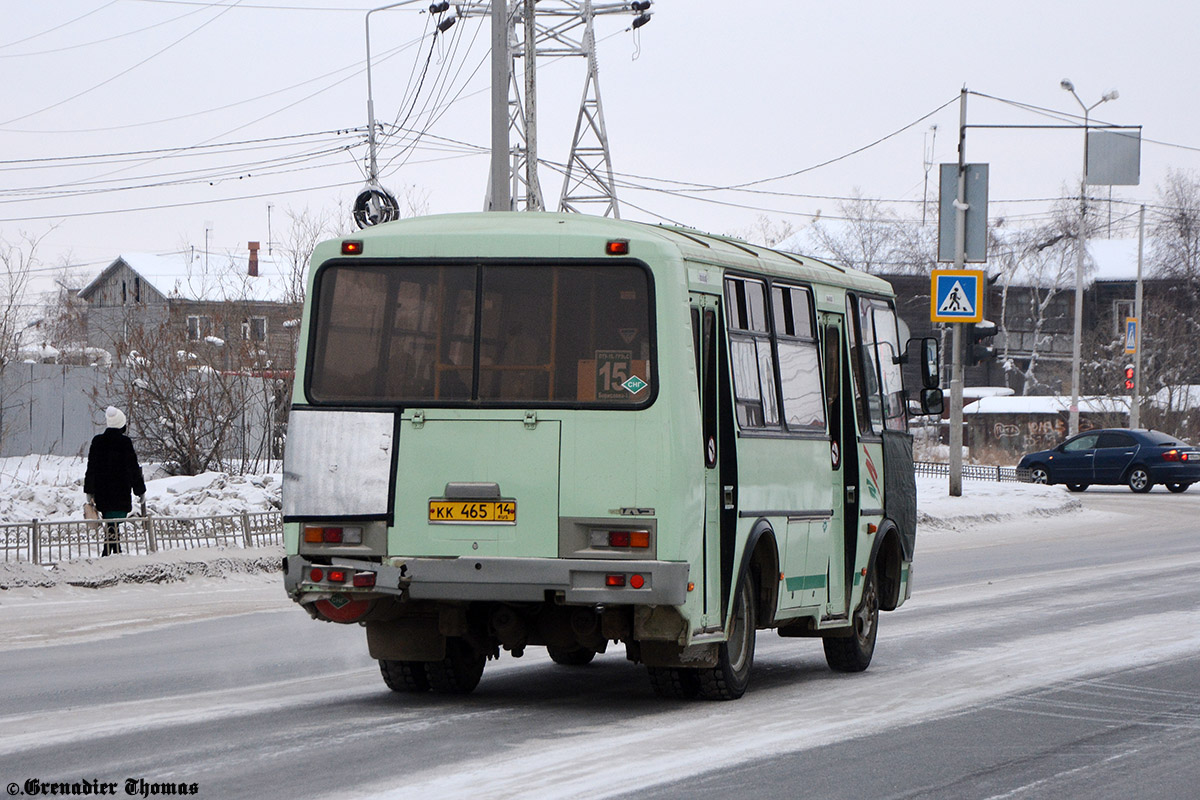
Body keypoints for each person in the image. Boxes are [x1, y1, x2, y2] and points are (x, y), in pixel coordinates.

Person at [84, 406, 147, 556]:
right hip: (120, 494)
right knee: (114, 524)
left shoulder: (98, 441)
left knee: (111, 524)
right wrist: (140, 491)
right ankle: (113, 554)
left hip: (103, 494)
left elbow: (91, 467)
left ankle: (111, 553)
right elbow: (133, 468)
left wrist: (89, 490)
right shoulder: (125, 443)